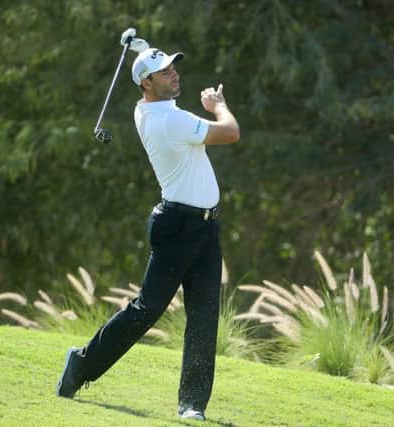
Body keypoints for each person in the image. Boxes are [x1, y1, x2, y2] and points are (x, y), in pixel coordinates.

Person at [56, 45, 240, 422]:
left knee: (204, 317)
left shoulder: (150, 109)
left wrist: (140, 47)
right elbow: (231, 133)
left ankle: (192, 405)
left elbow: (152, 81)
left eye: (174, 68)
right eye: (164, 72)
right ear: (145, 83)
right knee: (145, 311)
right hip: (179, 227)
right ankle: (80, 365)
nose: (174, 75)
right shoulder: (169, 122)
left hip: (205, 227)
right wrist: (218, 104)